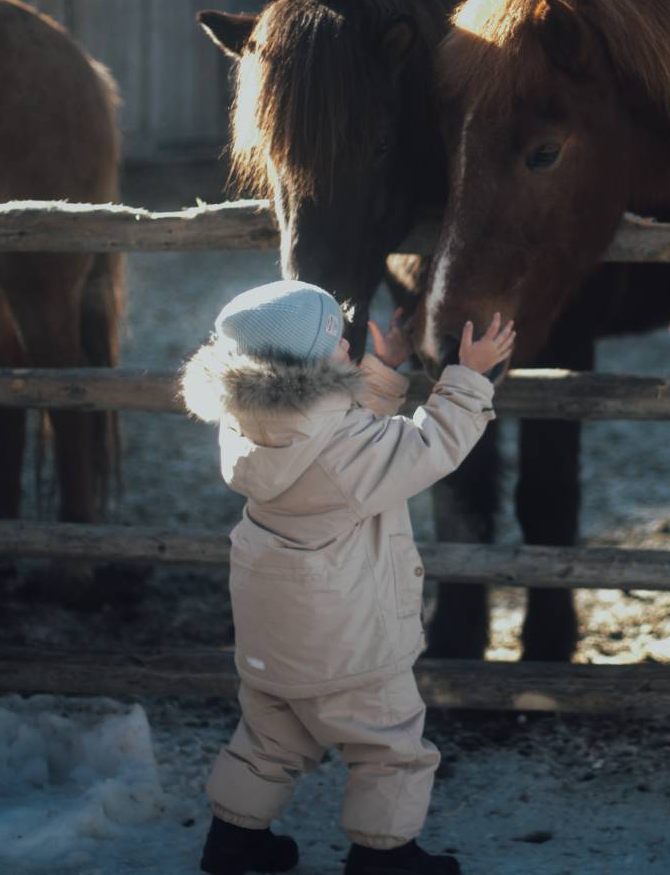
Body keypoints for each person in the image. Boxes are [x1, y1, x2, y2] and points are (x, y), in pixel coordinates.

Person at [179, 279, 515, 875]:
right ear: (316, 362)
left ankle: (233, 842)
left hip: (273, 633)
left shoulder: (247, 424)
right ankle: (383, 858)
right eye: (339, 343)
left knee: (269, 738)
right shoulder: (347, 449)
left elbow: (332, 434)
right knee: (391, 746)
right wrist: (469, 376)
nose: (349, 347)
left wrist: (380, 375)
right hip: (347, 638)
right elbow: (428, 443)